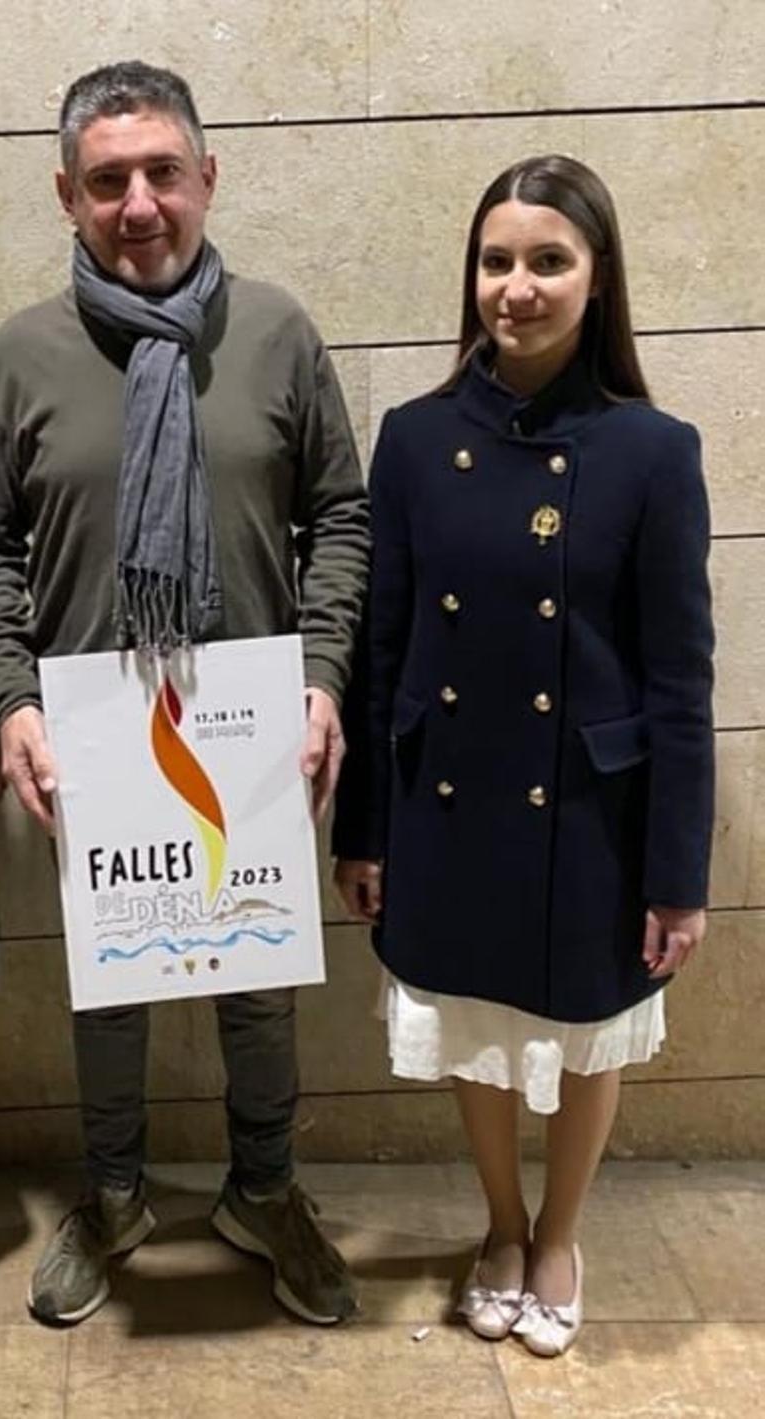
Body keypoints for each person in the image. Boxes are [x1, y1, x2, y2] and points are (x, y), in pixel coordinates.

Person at [0, 61, 370, 1327]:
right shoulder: (25, 355)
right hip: (97, 729)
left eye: (161, 173)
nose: (138, 204)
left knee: (258, 983)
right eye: (106, 181)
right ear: (67, 196)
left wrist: (320, 677)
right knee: (114, 987)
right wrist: (9, 699)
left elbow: (341, 516)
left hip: (252, 723)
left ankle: (263, 1190)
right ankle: (114, 1194)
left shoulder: (280, 334)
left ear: (208, 176)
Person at [333, 154, 714, 1357]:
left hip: (594, 809)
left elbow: (679, 679)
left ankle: (559, 1234)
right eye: (497, 261)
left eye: (548, 260)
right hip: (445, 793)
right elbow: (382, 644)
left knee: (589, 1029)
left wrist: (677, 871)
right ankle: (499, 1226)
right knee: (475, 1027)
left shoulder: (655, 451)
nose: (518, 286)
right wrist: (364, 830)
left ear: (596, 282)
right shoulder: (412, 438)